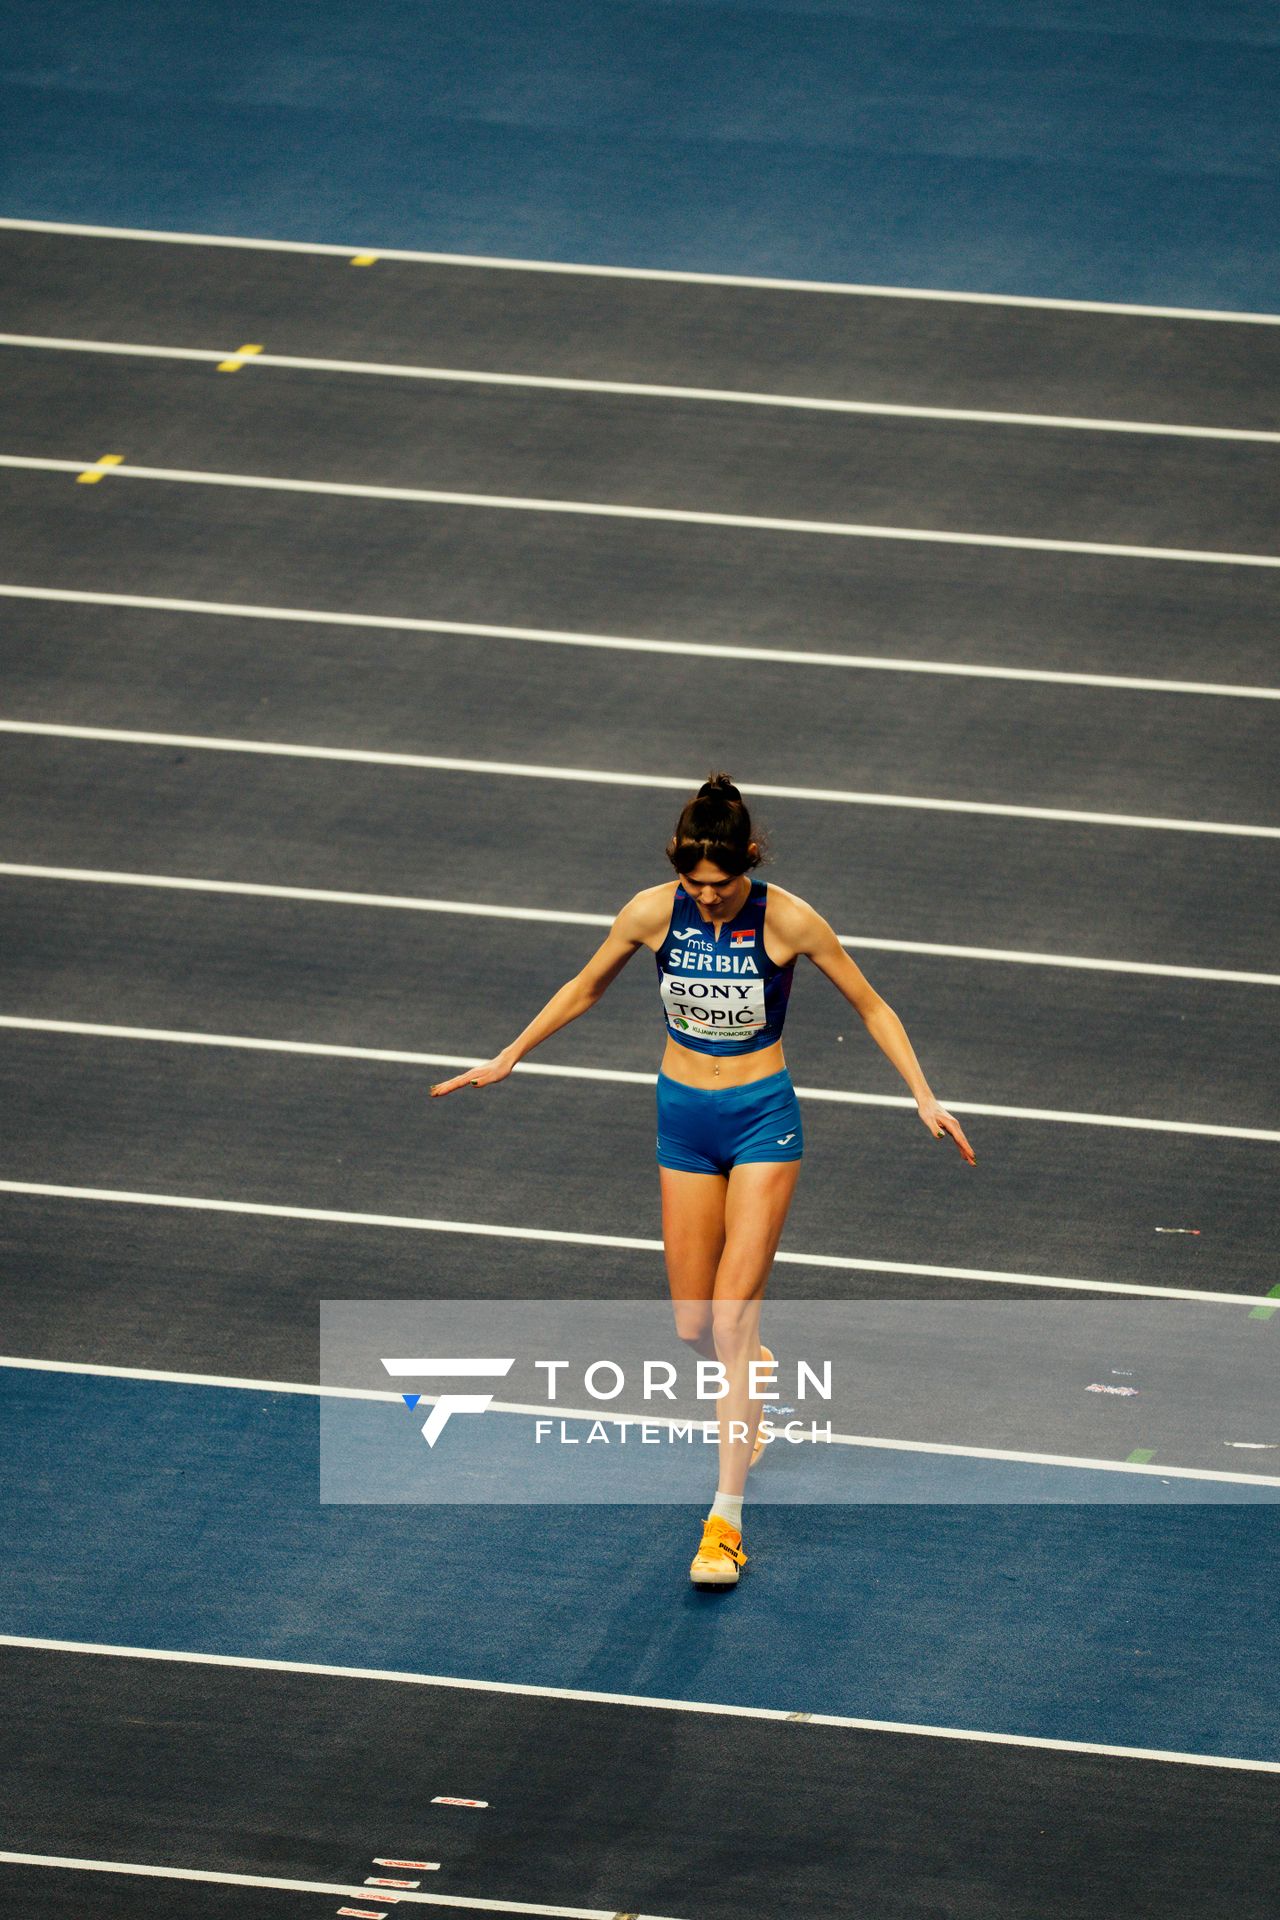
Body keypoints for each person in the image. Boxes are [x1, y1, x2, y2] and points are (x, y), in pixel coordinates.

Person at [431, 773, 976, 1587]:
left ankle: (724, 1524)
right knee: (693, 1325)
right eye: (697, 886)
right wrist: (510, 1055)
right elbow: (585, 987)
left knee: (730, 1324)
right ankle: (749, 1373)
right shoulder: (652, 912)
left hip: (763, 1121)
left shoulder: (788, 920)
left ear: (749, 861)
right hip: (682, 1120)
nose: (710, 900)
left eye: (721, 886)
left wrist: (923, 1094)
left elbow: (871, 1004)